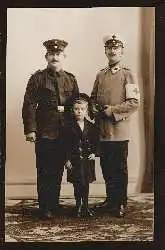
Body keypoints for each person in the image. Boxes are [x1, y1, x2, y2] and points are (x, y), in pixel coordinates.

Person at [22, 39, 79, 219]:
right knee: (45, 169)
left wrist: (78, 129)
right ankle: (45, 206)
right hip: (45, 130)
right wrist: (30, 129)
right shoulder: (37, 78)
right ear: (46, 56)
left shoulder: (70, 79)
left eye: (58, 54)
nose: (55, 57)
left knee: (58, 168)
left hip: (65, 132)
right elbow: (29, 104)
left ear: (64, 56)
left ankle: (54, 204)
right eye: (51, 54)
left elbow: (78, 104)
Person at [90, 34, 140, 217]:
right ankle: (110, 201)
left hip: (119, 130)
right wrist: (94, 108)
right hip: (102, 130)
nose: (112, 51)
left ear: (122, 51)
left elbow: (134, 102)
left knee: (119, 168)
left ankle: (120, 203)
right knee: (106, 167)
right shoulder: (100, 74)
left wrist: (112, 110)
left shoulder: (128, 74)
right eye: (109, 48)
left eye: (116, 48)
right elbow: (93, 98)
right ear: (105, 51)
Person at [62, 93, 99, 217]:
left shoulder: (92, 126)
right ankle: (78, 206)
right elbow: (65, 144)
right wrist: (66, 159)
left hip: (87, 160)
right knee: (77, 184)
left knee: (86, 184)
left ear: (86, 110)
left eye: (82, 109)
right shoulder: (68, 127)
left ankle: (86, 207)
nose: (79, 111)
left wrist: (94, 153)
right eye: (76, 109)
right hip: (75, 160)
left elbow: (96, 142)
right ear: (73, 110)